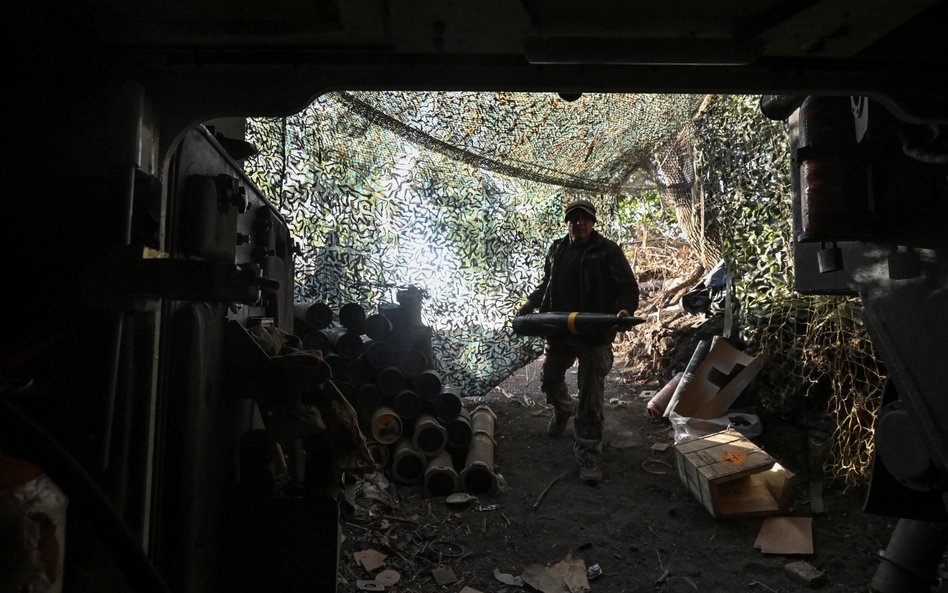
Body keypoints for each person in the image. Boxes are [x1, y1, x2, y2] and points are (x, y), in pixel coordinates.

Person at [517, 198, 639, 485]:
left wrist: (624, 310)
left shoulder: (607, 250)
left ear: (593, 223)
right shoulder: (557, 249)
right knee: (549, 379)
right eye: (574, 219)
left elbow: (627, 286)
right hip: (560, 330)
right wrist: (529, 305)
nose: (579, 223)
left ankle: (588, 452)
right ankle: (563, 410)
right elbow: (547, 283)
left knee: (590, 389)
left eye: (584, 219)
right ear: (567, 223)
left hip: (593, 335)